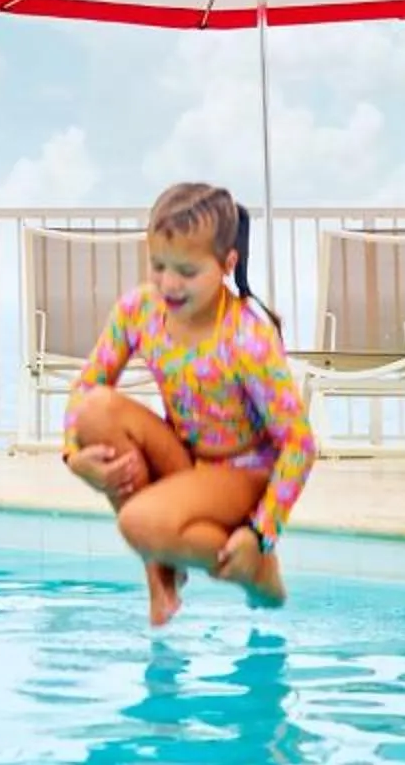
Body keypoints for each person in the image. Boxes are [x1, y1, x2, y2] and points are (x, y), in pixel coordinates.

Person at [61, 182, 316, 626]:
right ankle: (161, 573)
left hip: (241, 473)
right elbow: (88, 385)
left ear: (227, 265)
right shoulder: (140, 310)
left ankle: (256, 569)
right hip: (182, 457)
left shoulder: (247, 339)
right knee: (96, 410)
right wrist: (74, 457)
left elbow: (299, 444)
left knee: (138, 523)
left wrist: (262, 533)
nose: (168, 283)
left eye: (187, 271)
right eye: (158, 265)